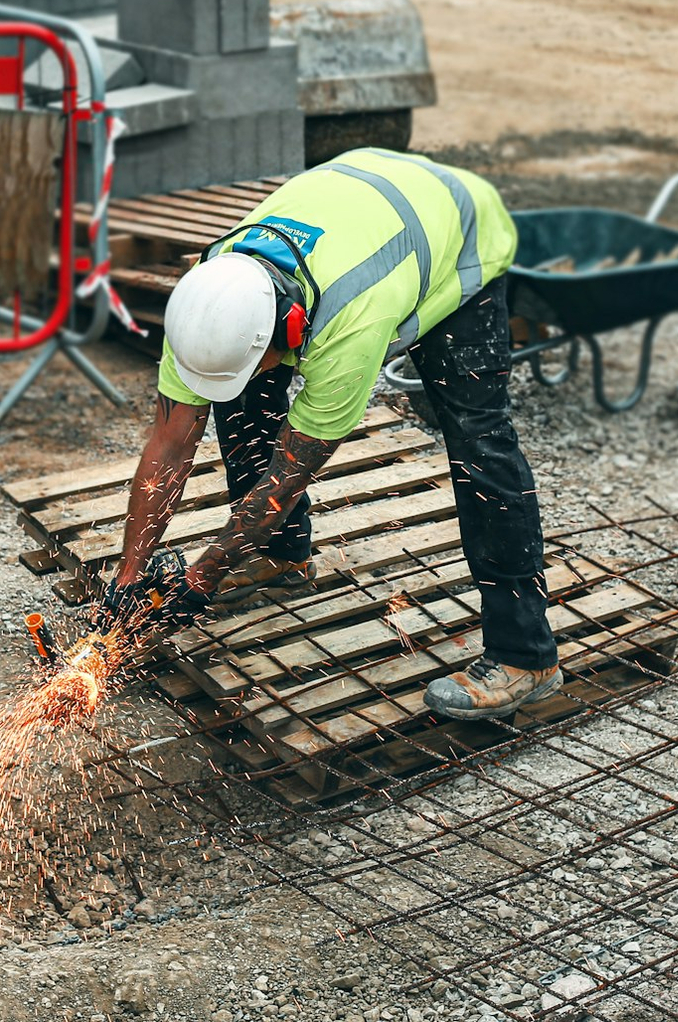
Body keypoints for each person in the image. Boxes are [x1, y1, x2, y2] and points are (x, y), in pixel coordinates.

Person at [102, 148, 560, 721]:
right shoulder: (210, 298)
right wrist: (128, 575)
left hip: (459, 232)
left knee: (478, 441)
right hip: (367, 199)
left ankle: (527, 654)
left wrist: (201, 577)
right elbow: (169, 445)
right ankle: (281, 556)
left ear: (294, 330)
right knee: (242, 392)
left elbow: (288, 475)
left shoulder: (350, 324)